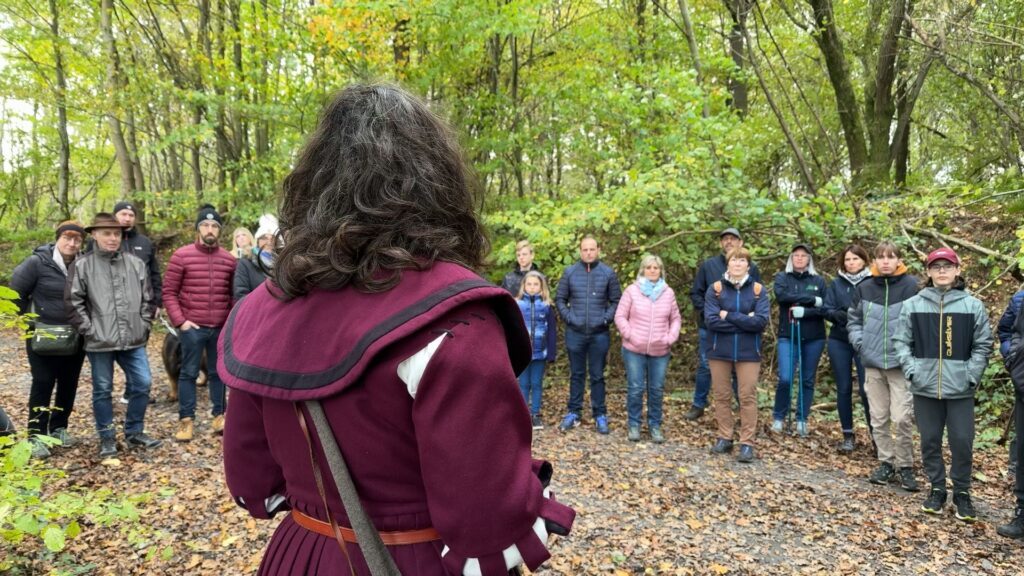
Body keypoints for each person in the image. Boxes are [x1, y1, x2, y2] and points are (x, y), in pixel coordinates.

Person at [219, 84, 574, 575]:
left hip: (300, 555)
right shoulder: (453, 318)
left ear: (313, 187)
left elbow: (252, 479)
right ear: (436, 184)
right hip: (408, 562)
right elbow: (485, 518)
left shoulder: (263, 309)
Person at [893, 247, 992, 521]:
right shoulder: (914, 304)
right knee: (930, 441)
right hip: (924, 388)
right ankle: (937, 489)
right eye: (936, 267)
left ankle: (961, 492)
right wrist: (913, 370)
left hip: (960, 388)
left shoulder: (972, 305)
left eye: (947, 266)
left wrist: (971, 375)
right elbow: (902, 342)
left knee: (962, 441)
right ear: (928, 272)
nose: (942, 271)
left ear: (957, 270)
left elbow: (983, 345)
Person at [65, 213, 161, 457]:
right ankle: (107, 437)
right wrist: (89, 330)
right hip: (99, 341)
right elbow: (73, 302)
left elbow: (148, 299)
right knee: (102, 389)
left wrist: (143, 325)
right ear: (94, 235)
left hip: (133, 339)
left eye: (116, 234)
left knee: (142, 383)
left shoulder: (135, 263)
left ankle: (134, 432)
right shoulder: (82, 265)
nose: (112, 238)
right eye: (106, 233)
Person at [847, 241, 920, 491]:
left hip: (901, 363)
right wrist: (861, 343)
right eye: (881, 257)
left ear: (899, 260)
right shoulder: (864, 287)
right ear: (874, 261)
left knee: (901, 418)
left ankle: (906, 466)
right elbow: (853, 320)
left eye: (891, 257)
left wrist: (913, 351)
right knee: (878, 418)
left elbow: (920, 322)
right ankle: (886, 463)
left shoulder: (912, 286)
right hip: (873, 363)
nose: (886, 261)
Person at [10, 220, 88, 458]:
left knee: (69, 382)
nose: (71, 243)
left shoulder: (85, 264)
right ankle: (35, 435)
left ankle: (58, 428)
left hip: (75, 337)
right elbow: (16, 294)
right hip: (42, 336)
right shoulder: (37, 262)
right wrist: (28, 321)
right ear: (58, 238)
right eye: (67, 238)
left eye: (77, 239)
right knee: (43, 381)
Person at [163, 204, 236, 441]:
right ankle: (186, 421)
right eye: (205, 225)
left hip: (219, 328)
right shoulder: (181, 256)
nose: (210, 229)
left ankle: (219, 416)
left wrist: (230, 324)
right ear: (198, 229)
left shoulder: (228, 260)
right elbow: (169, 293)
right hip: (192, 328)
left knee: (218, 374)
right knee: (188, 373)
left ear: (219, 230)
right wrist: (180, 322)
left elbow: (233, 295)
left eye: (214, 225)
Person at [685, 228, 761, 421]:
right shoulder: (709, 266)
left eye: (732, 239)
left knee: (739, 370)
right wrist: (711, 313)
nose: (728, 242)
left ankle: (741, 408)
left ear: (740, 242)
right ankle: (699, 404)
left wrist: (738, 318)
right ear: (721, 244)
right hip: (710, 328)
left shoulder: (752, 267)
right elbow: (696, 293)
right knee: (705, 366)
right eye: (725, 239)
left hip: (744, 332)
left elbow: (757, 298)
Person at [703, 247, 769, 462]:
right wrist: (744, 320)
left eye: (742, 260)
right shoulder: (716, 289)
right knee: (722, 395)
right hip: (719, 350)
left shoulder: (759, 290)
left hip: (749, 352)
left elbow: (759, 322)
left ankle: (747, 443)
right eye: (734, 260)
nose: (738, 264)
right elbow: (711, 321)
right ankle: (725, 436)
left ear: (748, 266)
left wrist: (728, 315)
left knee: (747, 396)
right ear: (727, 264)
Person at [555, 235, 622, 435]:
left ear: (598, 250)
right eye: (585, 249)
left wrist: (604, 319)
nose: (588, 253)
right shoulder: (570, 272)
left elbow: (616, 301)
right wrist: (569, 318)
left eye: (592, 249)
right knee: (576, 374)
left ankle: (600, 414)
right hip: (575, 332)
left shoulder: (608, 273)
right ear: (580, 251)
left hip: (599, 334)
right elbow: (560, 299)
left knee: (597, 375)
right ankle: (574, 412)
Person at [614, 254, 681, 443]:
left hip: (660, 350)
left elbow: (675, 319)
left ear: (661, 271)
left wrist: (670, 337)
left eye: (656, 268)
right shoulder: (632, 291)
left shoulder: (668, 293)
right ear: (642, 270)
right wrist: (630, 335)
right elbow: (620, 316)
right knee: (635, 388)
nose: (652, 270)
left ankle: (655, 426)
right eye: (649, 267)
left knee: (657, 389)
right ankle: (634, 424)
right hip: (634, 349)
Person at [771, 243, 827, 437]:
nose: (800, 258)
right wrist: (812, 299)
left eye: (804, 255)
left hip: (814, 336)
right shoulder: (782, 277)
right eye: (796, 255)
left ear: (809, 259)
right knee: (785, 378)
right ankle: (779, 416)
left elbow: (824, 308)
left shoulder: (818, 280)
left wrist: (807, 310)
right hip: (788, 334)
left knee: (807, 379)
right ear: (791, 258)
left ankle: (802, 419)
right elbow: (783, 296)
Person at [823, 244, 873, 453]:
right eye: (848, 260)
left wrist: (851, 314)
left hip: (866, 341)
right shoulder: (836, 284)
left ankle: (877, 436)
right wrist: (845, 315)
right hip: (839, 340)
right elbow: (827, 309)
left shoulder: (873, 282)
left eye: (855, 259)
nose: (851, 263)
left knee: (867, 389)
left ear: (864, 260)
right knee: (843, 387)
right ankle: (848, 435)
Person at [516, 270, 557, 430]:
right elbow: (512, 329)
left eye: (536, 284)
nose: (532, 287)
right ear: (524, 286)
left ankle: (535, 414)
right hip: (523, 352)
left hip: (540, 352)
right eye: (529, 284)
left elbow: (552, 331)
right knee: (524, 384)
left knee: (536, 383)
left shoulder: (546, 306)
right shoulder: (518, 305)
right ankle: (524, 414)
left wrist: (551, 353)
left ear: (541, 287)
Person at [998, 290, 1024, 539]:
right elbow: (1006, 331)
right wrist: (1013, 358)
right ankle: (1022, 514)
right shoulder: (1020, 298)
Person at [234, 214, 278, 301]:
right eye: (264, 238)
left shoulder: (283, 262)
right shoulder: (246, 263)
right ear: (258, 241)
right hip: (257, 312)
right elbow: (240, 294)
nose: (269, 242)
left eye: (272, 238)